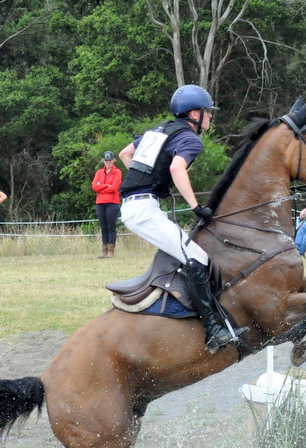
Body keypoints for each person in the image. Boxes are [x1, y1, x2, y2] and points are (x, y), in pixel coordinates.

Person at [118, 84, 246, 354]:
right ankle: (213, 331)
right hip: (143, 210)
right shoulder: (189, 139)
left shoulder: (157, 131)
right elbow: (177, 167)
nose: (210, 117)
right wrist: (196, 206)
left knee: (188, 253)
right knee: (197, 259)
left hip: (137, 206)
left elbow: (125, 154)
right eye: (207, 112)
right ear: (194, 113)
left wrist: (150, 180)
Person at [92, 150, 122, 258]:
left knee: (111, 226)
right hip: (100, 202)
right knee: (103, 227)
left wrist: (102, 187)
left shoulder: (117, 172)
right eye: (106, 160)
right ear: (103, 161)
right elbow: (94, 186)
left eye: (110, 160)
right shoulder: (99, 172)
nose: (108, 162)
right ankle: (104, 250)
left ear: (113, 160)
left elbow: (115, 187)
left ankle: (111, 251)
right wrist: (107, 186)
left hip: (112, 203)